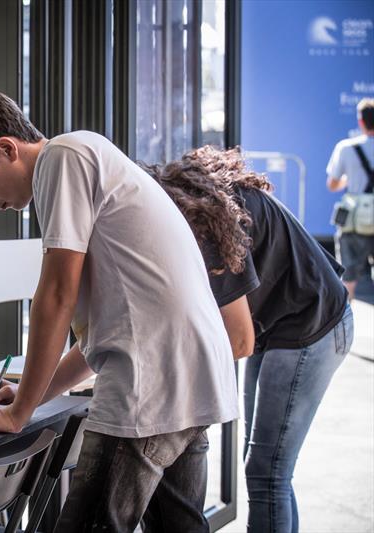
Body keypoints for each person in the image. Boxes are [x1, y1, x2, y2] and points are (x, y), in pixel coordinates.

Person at [0, 86, 238, 532]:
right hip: (189, 376)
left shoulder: (63, 158)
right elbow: (100, 339)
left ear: (7, 148)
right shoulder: (89, 157)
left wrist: (18, 414)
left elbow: (55, 296)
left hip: (148, 385)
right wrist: (29, 395)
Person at [142, 146, 353, 532]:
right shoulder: (200, 202)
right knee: (267, 468)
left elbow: (238, 342)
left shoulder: (201, 231)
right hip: (280, 322)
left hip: (311, 325)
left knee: (266, 472)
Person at [327, 98, 374, 301]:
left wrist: (348, 180)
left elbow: (332, 184)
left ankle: (347, 325)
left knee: (348, 275)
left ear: (361, 122)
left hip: (354, 219)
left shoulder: (346, 148)